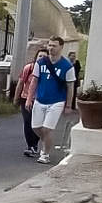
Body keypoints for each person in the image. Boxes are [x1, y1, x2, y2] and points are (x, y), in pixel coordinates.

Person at [25, 36, 77, 164]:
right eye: (49, 45)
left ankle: (45, 154)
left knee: (47, 129)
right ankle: (47, 142)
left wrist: (69, 105)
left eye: (54, 46)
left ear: (61, 47)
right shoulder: (41, 62)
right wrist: (29, 98)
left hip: (57, 101)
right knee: (36, 127)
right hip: (40, 99)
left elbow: (70, 87)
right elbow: (34, 81)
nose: (51, 48)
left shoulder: (67, 66)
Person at [16, 47, 47, 157]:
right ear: (36, 57)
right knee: (28, 121)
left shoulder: (49, 71)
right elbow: (20, 83)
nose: (41, 58)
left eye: (44, 56)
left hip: (41, 100)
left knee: (38, 123)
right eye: (40, 56)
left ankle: (35, 144)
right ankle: (31, 146)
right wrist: (16, 98)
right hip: (26, 98)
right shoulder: (28, 68)